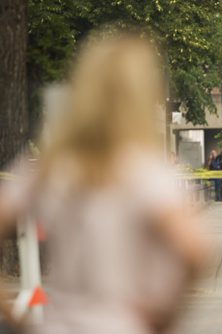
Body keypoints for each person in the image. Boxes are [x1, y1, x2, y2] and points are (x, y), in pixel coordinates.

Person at [0, 32, 210, 334]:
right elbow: (194, 249)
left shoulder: (48, 168)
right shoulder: (143, 170)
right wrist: (166, 315)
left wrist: (16, 320)